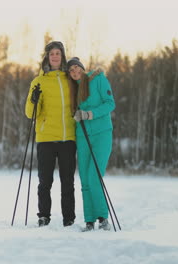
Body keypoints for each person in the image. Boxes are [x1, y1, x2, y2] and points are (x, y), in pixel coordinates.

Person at [25, 41, 76, 227]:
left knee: (67, 182)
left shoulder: (69, 79)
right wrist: (33, 100)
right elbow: (30, 113)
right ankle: (43, 216)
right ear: (47, 57)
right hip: (46, 138)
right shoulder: (38, 81)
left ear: (62, 56)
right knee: (45, 181)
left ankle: (69, 219)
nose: (54, 56)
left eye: (58, 53)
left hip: (67, 137)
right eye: (51, 53)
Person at [66, 57, 116, 231]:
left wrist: (89, 114)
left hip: (102, 134)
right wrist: (75, 116)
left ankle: (103, 218)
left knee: (95, 176)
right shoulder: (73, 89)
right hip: (83, 135)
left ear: (82, 67)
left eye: (76, 68)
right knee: (85, 179)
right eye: (71, 71)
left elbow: (110, 103)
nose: (74, 72)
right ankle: (89, 220)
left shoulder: (98, 79)